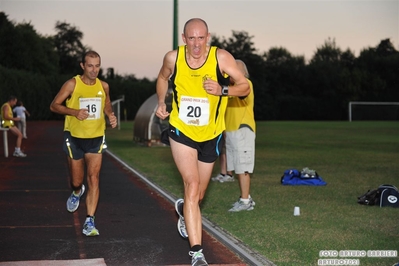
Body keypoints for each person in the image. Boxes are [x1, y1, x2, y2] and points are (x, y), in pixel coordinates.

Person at [155, 18, 250, 266]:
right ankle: (197, 254)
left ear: (207, 37)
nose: (196, 44)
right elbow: (163, 78)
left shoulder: (221, 58)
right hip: (181, 130)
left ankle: (186, 210)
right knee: (192, 184)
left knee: (198, 195)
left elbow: (245, 86)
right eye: (191, 38)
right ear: (184, 38)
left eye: (201, 38)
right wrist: (161, 101)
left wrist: (222, 90)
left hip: (211, 135)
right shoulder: (173, 58)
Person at [49, 50, 117, 237]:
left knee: (94, 178)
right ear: (82, 66)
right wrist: (74, 112)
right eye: (90, 66)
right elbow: (54, 105)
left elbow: (107, 104)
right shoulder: (72, 84)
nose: (94, 70)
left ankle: (89, 220)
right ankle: (77, 192)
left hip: (96, 137)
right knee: (76, 181)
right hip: (74, 137)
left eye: (97, 66)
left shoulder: (104, 86)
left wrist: (110, 115)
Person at [223, 59, 256, 212]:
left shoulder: (245, 84)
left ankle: (245, 201)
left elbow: (241, 94)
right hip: (231, 130)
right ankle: (245, 199)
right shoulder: (230, 88)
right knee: (237, 167)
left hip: (242, 129)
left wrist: (221, 88)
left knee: (243, 167)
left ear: (242, 73)